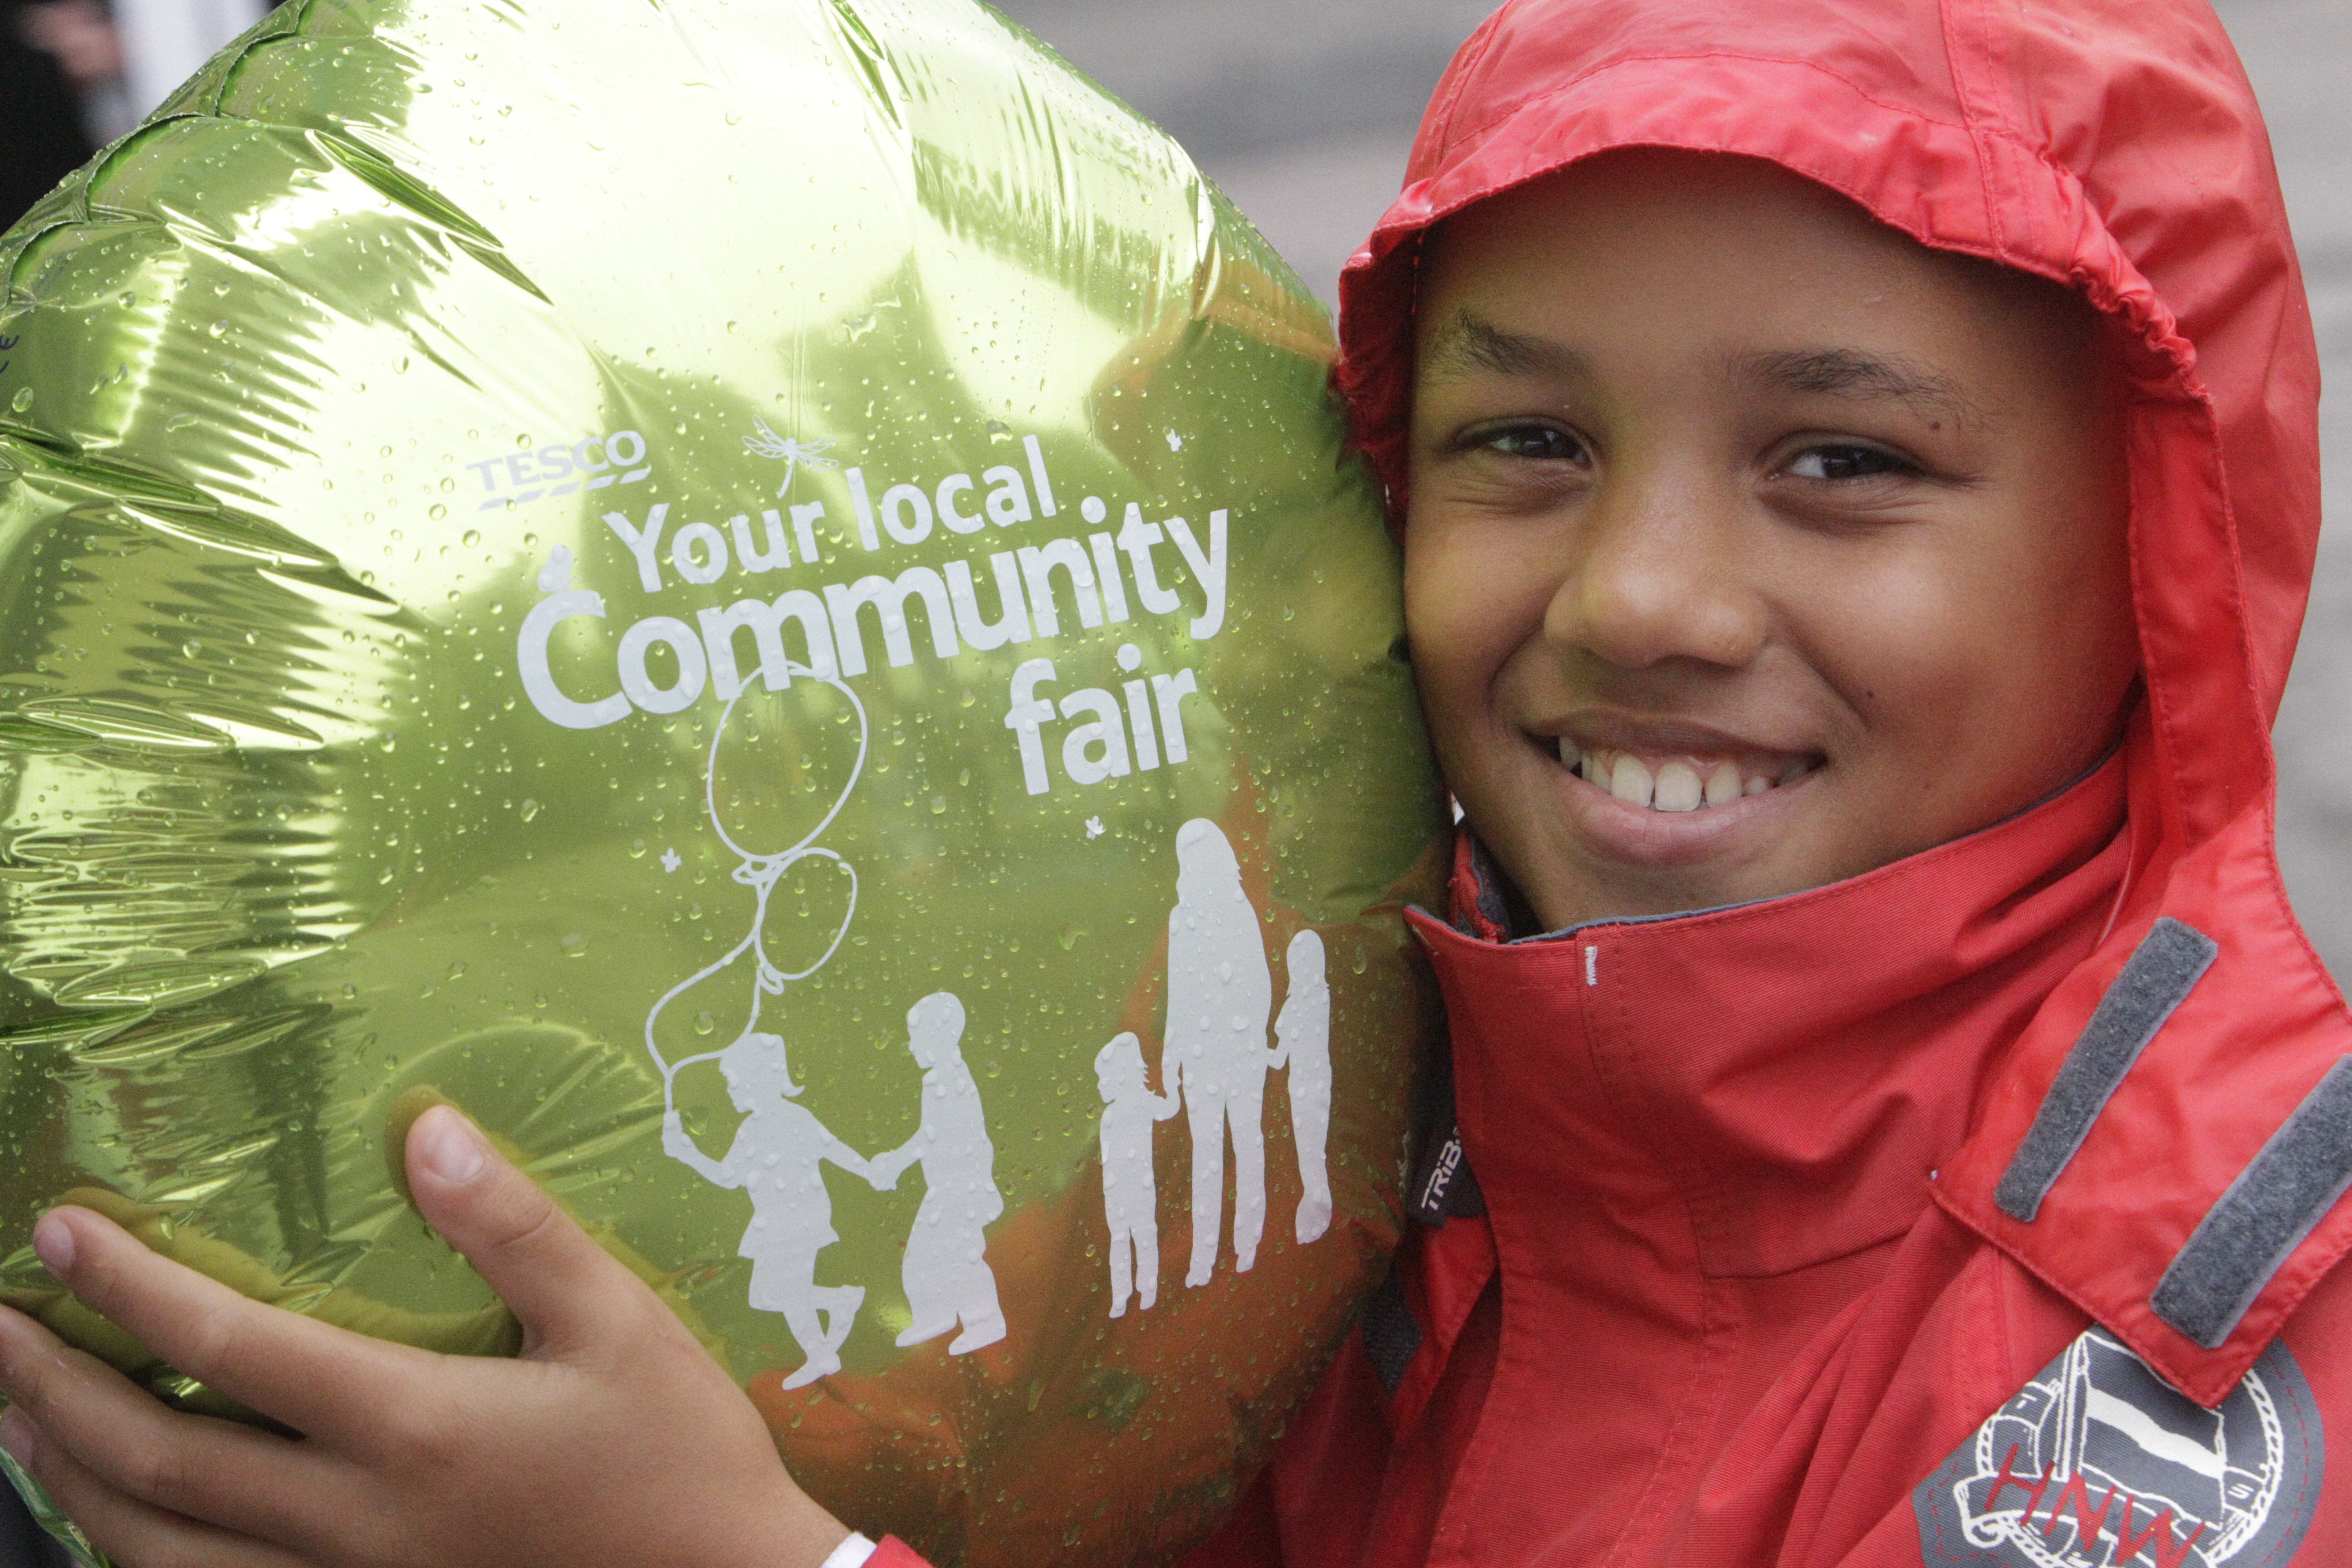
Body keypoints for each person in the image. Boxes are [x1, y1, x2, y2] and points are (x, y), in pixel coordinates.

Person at [0, 1, 2346, 1566]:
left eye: (1840, 463)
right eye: (1520, 440)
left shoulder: (2227, 1355)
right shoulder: (1315, 1106)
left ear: (2158, 548)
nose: (1640, 592)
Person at [661, 1032, 877, 1391]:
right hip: (788, 1216)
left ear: (755, 1079)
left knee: (776, 1294)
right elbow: (833, 1150)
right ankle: (822, 1353)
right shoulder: (785, 1119)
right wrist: (870, 1170)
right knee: (780, 1293)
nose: (729, 1090)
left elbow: (731, 1177)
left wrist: (687, 1153)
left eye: (732, 1082)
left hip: (791, 1218)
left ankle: (840, 1302)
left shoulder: (763, 1125)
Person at [867, 993, 1007, 1357]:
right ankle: (937, 1316)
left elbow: (935, 1137)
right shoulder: (943, 1078)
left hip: (960, 1188)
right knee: (928, 1256)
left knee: (960, 1257)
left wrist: (896, 1161)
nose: (911, 1046)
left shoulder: (947, 1080)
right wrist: (896, 1161)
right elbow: (931, 1135)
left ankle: (985, 1321)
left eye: (916, 1037)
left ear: (939, 1038)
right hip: (947, 1187)